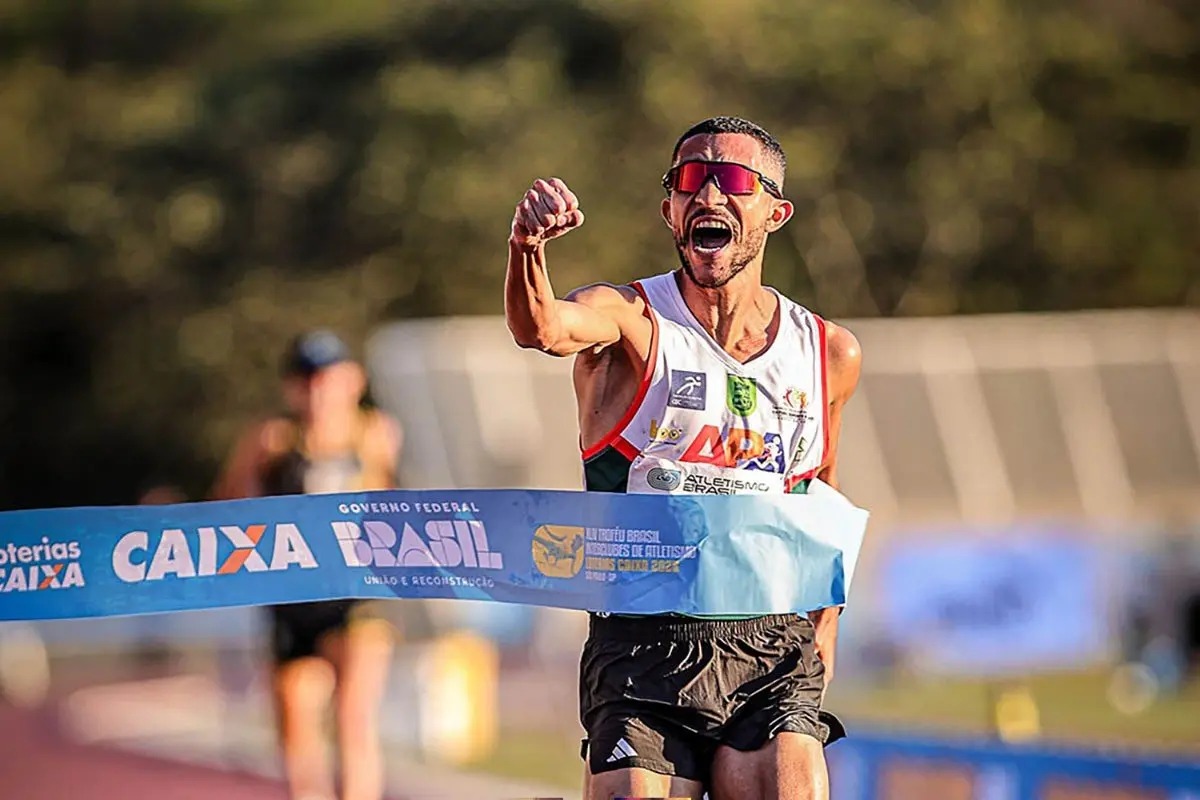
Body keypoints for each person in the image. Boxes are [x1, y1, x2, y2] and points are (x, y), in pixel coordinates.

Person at [504, 116, 863, 800]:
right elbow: (543, 327)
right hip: (643, 643)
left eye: (732, 180)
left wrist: (827, 627)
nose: (709, 195)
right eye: (690, 180)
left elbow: (822, 494)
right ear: (670, 207)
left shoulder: (827, 352)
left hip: (768, 641)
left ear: (776, 212)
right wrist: (526, 248)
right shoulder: (633, 321)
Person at [212, 330, 403, 800]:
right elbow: (223, 507)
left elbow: (399, 507)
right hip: (294, 598)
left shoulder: (376, 433)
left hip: (358, 594)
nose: (319, 391)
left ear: (352, 381)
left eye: (328, 378)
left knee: (353, 717)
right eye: (307, 380)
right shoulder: (272, 440)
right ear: (291, 388)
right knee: (297, 730)